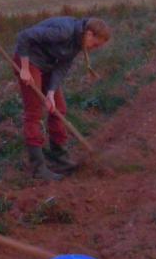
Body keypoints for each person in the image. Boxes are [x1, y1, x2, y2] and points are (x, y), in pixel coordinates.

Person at [13, 16, 111, 180]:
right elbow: (24, 36)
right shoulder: (64, 32)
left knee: (58, 108)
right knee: (34, 113)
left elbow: (62, 66)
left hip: (47, 65)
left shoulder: (77, 43)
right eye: (96, 44)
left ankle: (59, 159)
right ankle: (38, 169)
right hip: (29, 60)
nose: (94, 48)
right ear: (89, 34)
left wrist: (51, 93)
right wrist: (24, 68)